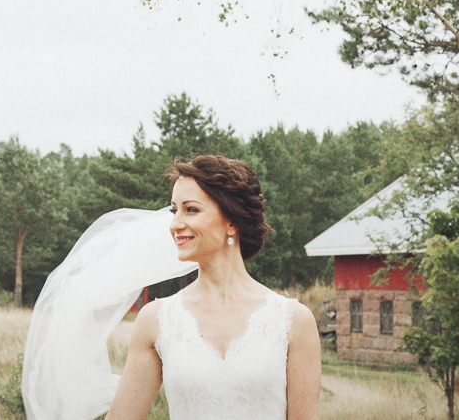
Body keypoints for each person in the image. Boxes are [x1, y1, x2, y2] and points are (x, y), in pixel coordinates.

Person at [104, 155, 321, 420]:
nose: (175, 224)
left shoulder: (293, 320)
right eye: (174, 210)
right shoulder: (156, 320)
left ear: (232, 222)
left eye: (191, 209)